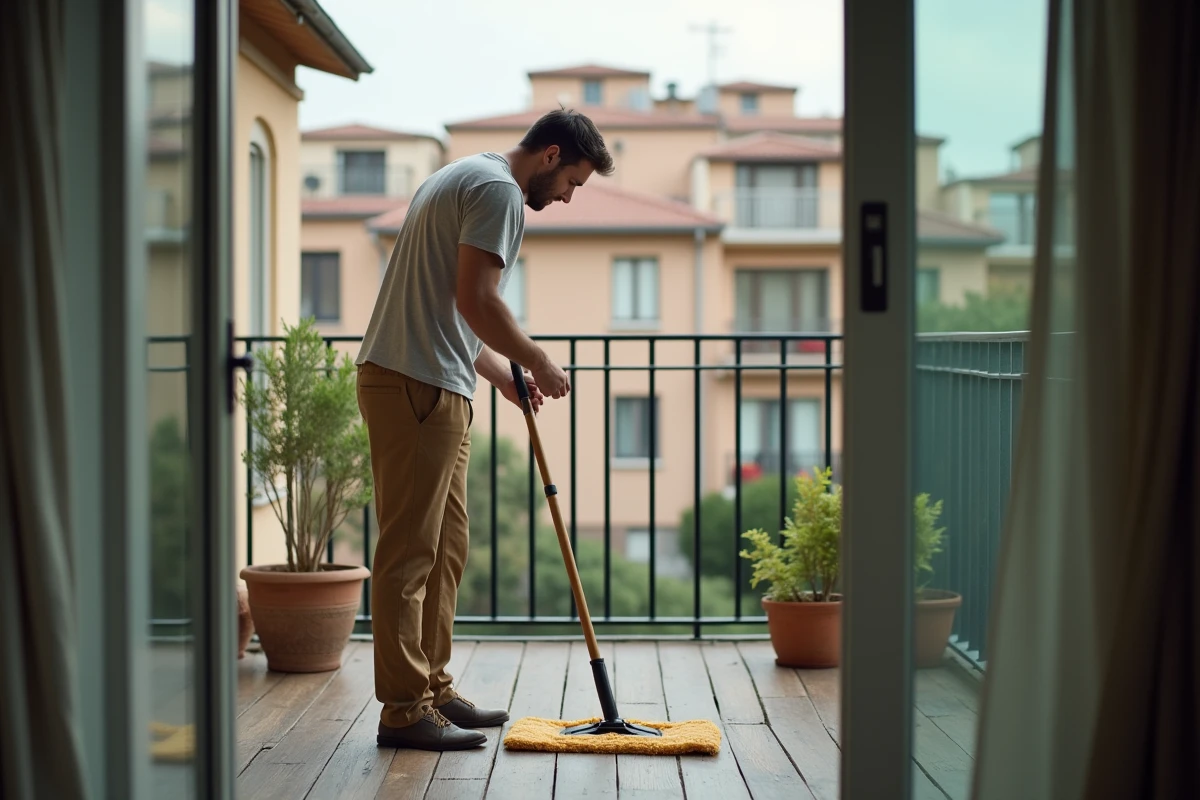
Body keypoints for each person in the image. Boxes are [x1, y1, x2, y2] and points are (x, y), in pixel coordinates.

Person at [354, 109, 615, 751]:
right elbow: (479, 300)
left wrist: (502, 374)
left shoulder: (463, 175)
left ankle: (433, 689)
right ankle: (404, 710)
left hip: (432, 380)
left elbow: (449, 306)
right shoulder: (499, 191)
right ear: (550, 155)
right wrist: (539, 361)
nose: (567, 197)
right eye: (572, 182)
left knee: (446, 549)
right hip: (415, 383)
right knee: (409, 554)